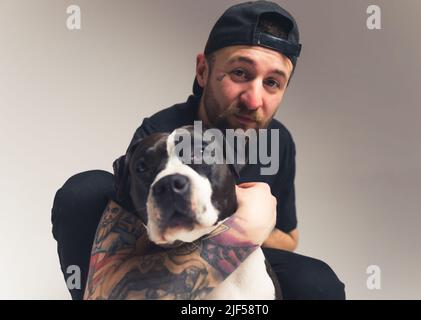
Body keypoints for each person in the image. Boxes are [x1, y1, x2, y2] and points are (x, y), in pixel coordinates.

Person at [52, 0, 345, 300]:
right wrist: (238, 227)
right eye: (241, 73)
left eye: (272, 82)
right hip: (163, 253)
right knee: (85, 192)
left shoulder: (278, 140)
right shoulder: (158, 136)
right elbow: (139, 235)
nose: (254, 100)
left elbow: (289, 238)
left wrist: (258, 224)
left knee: (317, 283)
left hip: (250, 261)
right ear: (203, 71)